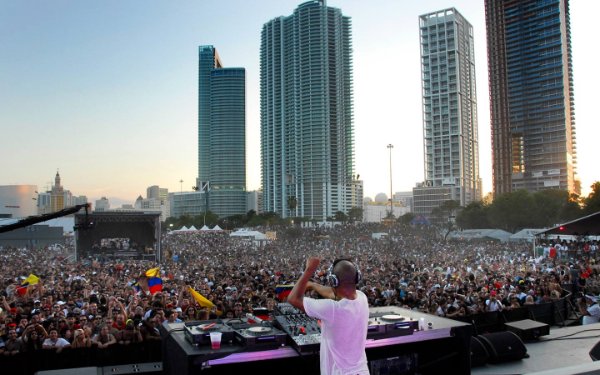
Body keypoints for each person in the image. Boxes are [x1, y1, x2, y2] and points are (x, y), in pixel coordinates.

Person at [288, 257, 370, 375]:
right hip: (362, 370)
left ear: (332, 281)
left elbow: (293, 298)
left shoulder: (332, 309)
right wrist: (313, 285)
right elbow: (334, 293)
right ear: (357, 277)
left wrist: (309, 270)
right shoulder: (362, 297)